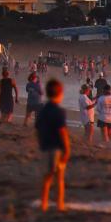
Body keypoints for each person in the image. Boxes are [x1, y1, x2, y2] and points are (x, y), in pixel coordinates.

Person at [34, 78, 69, 212]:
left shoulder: (42, 111)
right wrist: (67, 149)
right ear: (60, 94)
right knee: (59, 178)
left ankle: (44, 203)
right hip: (57, 149)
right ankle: (60, 204)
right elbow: (63, 132)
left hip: (45, 147)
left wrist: (40, 143)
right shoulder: (59, 112)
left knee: (47, 178)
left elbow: (37, 129)